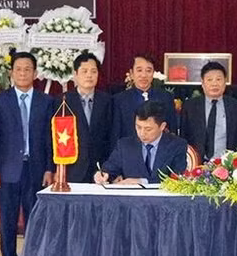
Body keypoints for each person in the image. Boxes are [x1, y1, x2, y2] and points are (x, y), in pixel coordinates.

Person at [0, 52, 55, 256]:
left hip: (36, 170)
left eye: (28, 69)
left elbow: (50, 138)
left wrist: (50, 168)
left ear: (35, 74)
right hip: (7, 170)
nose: (23, 73)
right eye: (18, 69)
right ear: (11, 73)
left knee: (34, 219)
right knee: (7, 219)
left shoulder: (47, 102)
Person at [94, 101, 187, 184]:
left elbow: (177, 179)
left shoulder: (177, 145)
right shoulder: (124, 145)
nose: (142, 133)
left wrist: (142, 182)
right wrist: (103, 176)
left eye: (148, 129)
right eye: (138, 127)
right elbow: (109, 170)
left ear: (162, 126)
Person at [180, 61, 237, 161]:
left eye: (219, 79)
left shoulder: (235, 106)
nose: (214, 83)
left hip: (228, 164)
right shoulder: (190, 106)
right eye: (209, 80)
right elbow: (183, 137)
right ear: (202, 83)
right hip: (197, 164)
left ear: (225, 82)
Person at [65, 53, 112, 182]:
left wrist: (111, 168)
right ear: (75, 74)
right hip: (71, 169)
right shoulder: (63, 101)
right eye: (84, 71)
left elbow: (112, 136)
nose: (89, 75)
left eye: (93, 71)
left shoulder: (107, 101)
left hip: (100, 170)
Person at [111, 54, 177, 143]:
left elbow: (172, 131)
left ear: (153, 73)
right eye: (139, 70)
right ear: (132, 73)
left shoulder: (166, 97)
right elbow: (115, 134)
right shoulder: (119, 100)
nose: (144, 75)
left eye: (148, 71)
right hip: (130, 152)